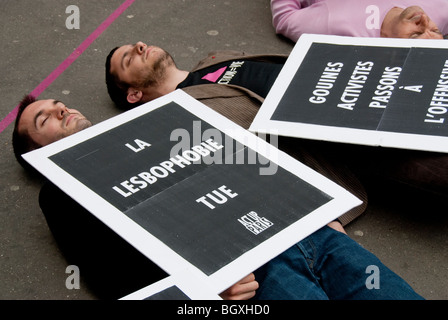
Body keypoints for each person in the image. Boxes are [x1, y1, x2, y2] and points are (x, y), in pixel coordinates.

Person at [12, 95, 423, 300]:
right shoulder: (59, 192)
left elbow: (242, 158)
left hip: (311, 236)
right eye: (44, 119)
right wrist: (205, 292)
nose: (61, 109)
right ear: (34, 155)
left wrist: (316, 206)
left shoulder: (152, 122)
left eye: (58, 104)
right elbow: (106, 270)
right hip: (252, 276)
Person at [270, 0, 448, 42]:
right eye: (435, 30)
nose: (424, 20)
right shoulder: (441, 12)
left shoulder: (336, 23)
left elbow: (284, 17)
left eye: (415, 34)